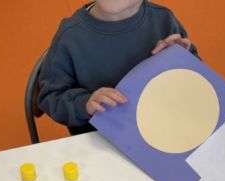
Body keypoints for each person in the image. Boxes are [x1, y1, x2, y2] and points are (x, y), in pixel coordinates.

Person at [38, 0, 199, 135]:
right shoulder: (70, 36)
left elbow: (195, 85)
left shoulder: (164, 20)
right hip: (98, 144)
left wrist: (180, 59)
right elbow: (50, 96)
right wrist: (85, 103)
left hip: (162, 133)